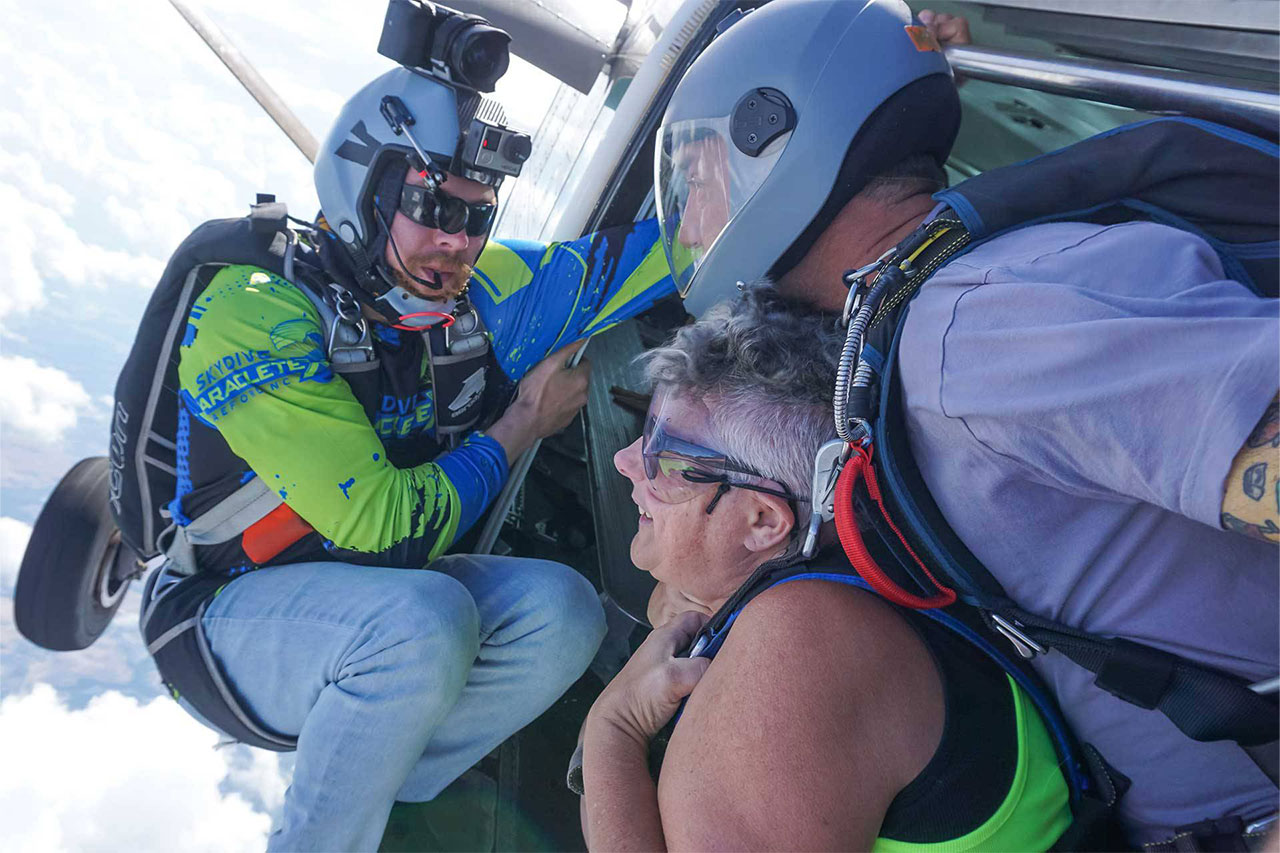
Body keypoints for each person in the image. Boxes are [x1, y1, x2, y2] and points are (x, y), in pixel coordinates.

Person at [652, 0, 1279, 845]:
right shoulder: (929, 328)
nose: (690, 222)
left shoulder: (974, 330)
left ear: (778, 136)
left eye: (698, 180)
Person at [139, 65, 677, 850]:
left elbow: (647, 258)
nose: (456, 241)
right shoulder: (252, 314)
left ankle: (397, 786)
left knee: (564, 613)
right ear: (367, 190)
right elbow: (386, 529)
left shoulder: (481, 299)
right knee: (423, 619)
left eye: (476, 215)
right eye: (430, 208)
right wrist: (521, 423)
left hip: (376, 612)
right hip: (222, 617)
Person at [580, 287, 1075, 851]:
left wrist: (611, 728)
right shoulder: (832, 560)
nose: (624, 463)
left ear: (764, 520)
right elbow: (675, 593)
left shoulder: (799, 644)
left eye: (663, 458)